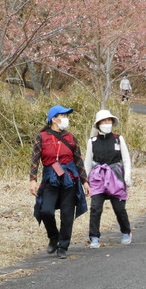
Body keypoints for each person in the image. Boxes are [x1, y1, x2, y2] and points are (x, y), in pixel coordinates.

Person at [30, 105, 90, 259]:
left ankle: (63, 245)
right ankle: (53, 237)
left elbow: (78, 160)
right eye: (62, 116)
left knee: (67, 213)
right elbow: (35, 160)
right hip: (51, 178)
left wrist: (85, 182)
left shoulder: (70, 137)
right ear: (53, 119)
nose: (65, 119)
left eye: (66, 116)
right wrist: (33, 180)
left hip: (70, 179)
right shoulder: (41, 137)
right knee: (46, 210)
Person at [85, 109, 133, 248]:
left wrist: (127, 176)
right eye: (104, 121)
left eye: (109, 120)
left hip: (116, 177)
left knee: (119, 208)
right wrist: (85, 182)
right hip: (98, 178)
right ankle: (94, 237)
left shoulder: (118, 139)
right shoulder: (92, 141)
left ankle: (126, 231)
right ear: (98, 124)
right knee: (95, 208)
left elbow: (126, 160)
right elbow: (88, 162)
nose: (107, 123)